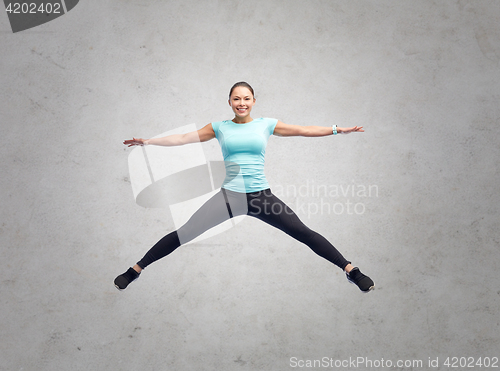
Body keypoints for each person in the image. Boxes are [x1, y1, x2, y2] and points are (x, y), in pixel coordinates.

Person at [114, 82, 374, 293]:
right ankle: (135, 270)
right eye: (236, 99)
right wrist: (150, 142)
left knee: (303, 232)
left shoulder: (266, 124)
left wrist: (337, 130)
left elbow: (303, 130)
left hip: (261, 197)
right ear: (229, 102)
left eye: (246, 98)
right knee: (186, 232)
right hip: (230, 196)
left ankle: (350, 270)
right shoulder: (219, 127)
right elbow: (183, 138)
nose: (242, 103)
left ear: (253, 101)